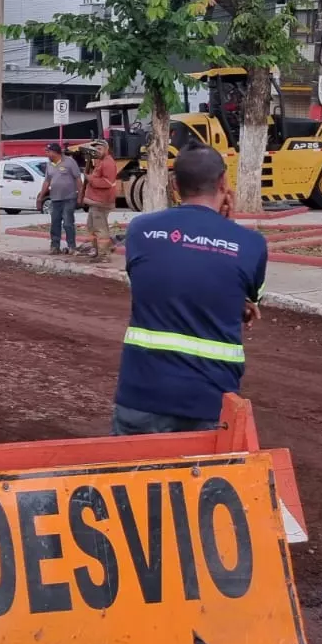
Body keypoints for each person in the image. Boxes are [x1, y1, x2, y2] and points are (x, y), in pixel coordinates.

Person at [112, 147, 269, 435]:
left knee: (134, 476)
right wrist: (226, 226)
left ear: (174, 185)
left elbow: (166, 278)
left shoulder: (140, 230)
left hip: (142, 395)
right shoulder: (251, 244)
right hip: (211, 401)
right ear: (223, 183)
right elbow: (244, 292)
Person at [36, 143, 83, 255]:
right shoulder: (49, 164)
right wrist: (41, 196)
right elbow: (47, 181)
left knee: (68, 223)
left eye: (48, 151)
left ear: (55, 152)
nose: (46, 154)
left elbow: (78, 179)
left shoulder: (70, 162)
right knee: (55, 223)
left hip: (69, 198)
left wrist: (80, 195)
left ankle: (71, 246)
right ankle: (55, 246)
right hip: (55, 198)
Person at [82, 139, 120, 264]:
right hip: (95, 201)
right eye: (96, 149)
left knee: (100, 229)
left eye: (99, 149)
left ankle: (104, 255)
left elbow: (107, 182)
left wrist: (90, 178)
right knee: (92, 227)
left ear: (106, 149)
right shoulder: (101, 162)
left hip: (102, 201)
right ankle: (98, 251)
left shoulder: (108, 163)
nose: (97, 151)